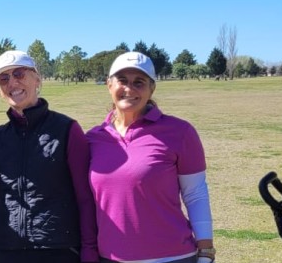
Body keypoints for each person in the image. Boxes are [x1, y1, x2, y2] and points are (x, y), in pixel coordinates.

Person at [87, 52, 215, 263]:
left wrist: (206, 251)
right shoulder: (92, 139)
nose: (129, 89)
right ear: (109, 85)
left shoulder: (179, 132)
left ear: (151, 88)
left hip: (172, 257)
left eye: (139, 82)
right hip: (110, 257)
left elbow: (195, 194)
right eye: (122, 81)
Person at [0, 50, 98, 263]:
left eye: (19, 74)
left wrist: (89, 249)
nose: (12, 83)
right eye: (3, 78)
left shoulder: (67, 130)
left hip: (59, 249)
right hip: (10, 249)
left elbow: (85, 197)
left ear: (37, 79)